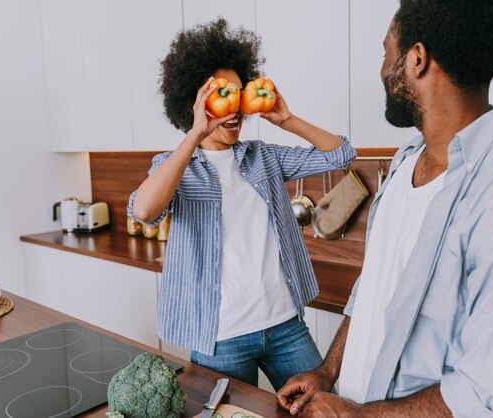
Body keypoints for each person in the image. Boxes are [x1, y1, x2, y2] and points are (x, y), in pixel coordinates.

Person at [277, 0, 493, 416]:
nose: (382, 69)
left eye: (386, 54)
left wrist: (355, 415)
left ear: (416, 59)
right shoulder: (404, 163)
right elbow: (374, 292)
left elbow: (487, 398)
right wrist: (327, 372)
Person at [127, 19, 356, 391]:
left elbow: (342, 155)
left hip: (285, 326)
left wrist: (288, 119)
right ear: (196, 103)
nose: (234, 108)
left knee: (325, 408)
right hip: (222, 338)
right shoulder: (175, 167)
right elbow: (144, 211)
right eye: (222, 96)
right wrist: (196, 132)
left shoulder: (262, 157)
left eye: (238, 93)